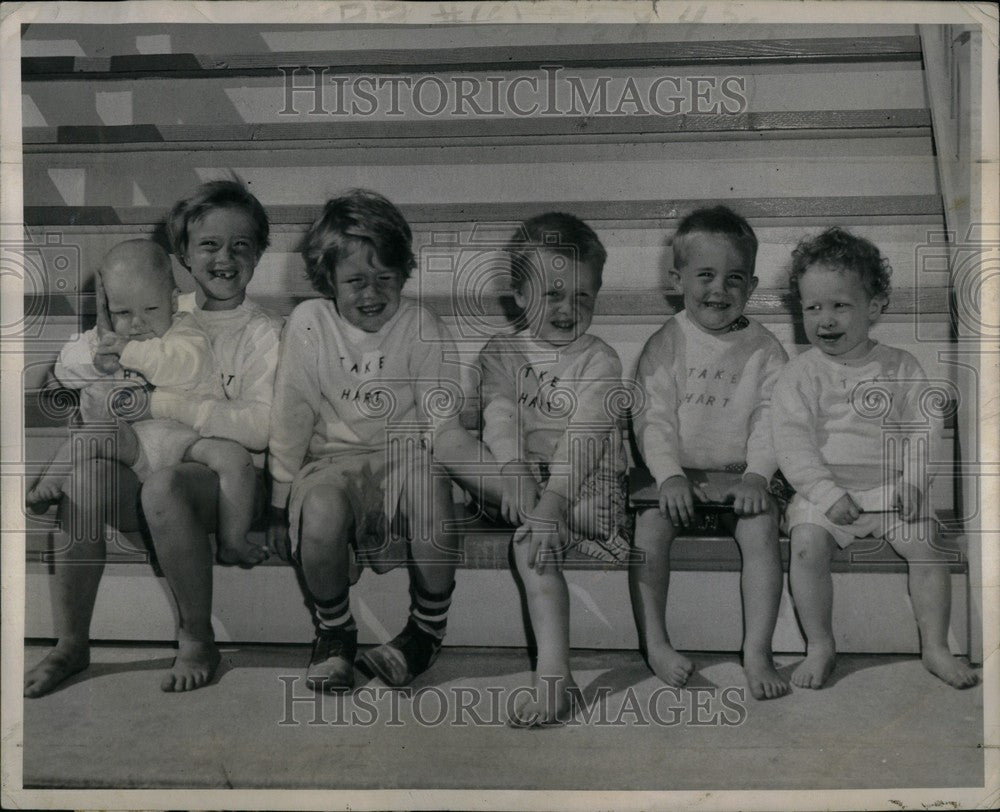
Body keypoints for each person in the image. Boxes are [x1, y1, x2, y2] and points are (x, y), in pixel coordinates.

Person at [23, 177, 282, 697]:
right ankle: (72, 642)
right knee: (88, 479)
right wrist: (96, 348)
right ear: (183, 254)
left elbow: (260, 428)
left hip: (226, 483)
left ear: (258, 254)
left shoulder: (264, 333)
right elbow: (76, 359)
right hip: (146, 462)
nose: (223, 257)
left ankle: (196, 637)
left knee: (164, 487)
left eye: (240, 245)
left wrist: (160, 402)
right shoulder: (158, 302)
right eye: (208, 244)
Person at [267, 189, 491, 693]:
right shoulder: (308, 323)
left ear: (404, 273)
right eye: (355, 281)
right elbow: (291, 413)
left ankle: (426, 630)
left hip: (406, 457)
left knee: (432, 490)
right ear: (328, 279)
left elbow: (442, 426)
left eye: (384, 279)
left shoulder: (421, 325)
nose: (371, 294)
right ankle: (334, 632)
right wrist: (280, 502)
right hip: (333, 461)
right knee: (321, 512)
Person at [773, 226, 979, 689]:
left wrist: (912, 482)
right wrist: (826, 494)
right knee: (806, 545)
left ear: (875, 307)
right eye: (812, 307)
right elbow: (792, 443)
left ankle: (935, 647)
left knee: (927, 545)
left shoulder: (900, 366)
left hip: (890, 491)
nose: (825, 319)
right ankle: (821, 644)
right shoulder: (799, 374)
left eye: (840, 305)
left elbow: (923, 430)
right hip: (822, 493)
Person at [630, 205, 790, 701]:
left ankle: (757, 649)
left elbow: (773, 419)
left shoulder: (766, 349)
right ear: (677, 279)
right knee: (649, 529)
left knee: (761, 527)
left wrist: (759, 476)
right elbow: (651, 418)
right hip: (678, 478)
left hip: (743, 478)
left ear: (753, 284)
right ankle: (656, 643)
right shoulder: (667, 343)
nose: (719, 290)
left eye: (734, 278)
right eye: (705, 276)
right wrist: (669, 475)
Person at [478, 212, 631, 727]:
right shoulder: (500, 351)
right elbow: (499, 415)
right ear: (520, 294)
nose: (569, 310)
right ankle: (555, 675)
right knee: (453, 447)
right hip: (527, 478)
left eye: (583, 297)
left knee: (533, 541)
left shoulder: (600, 360)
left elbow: (587, 439)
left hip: (588, 483)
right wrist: (515, 470)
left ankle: (552, 678)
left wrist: (552, 503)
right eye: (554, 295)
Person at [25, 240, 261, 569]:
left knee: (234, 457)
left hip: (185, 444)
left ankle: (233, 539)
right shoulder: (99, 342)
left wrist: (129, 351)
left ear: (173, 301)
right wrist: (98, 361)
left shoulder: (187, 333)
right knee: (99, 430)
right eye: (123, 312)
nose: (137, 323)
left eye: (150, 310)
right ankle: (53, 478)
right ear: (108, 310)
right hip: (132, 445)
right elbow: (65, 372)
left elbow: (181, 366)